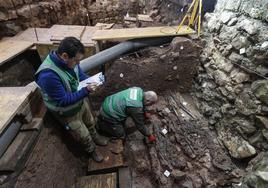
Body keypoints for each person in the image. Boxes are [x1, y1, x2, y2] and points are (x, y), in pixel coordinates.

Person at [35, 37, 107, 162]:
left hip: (78, 101)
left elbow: (79, 75)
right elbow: (63, 100)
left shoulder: (70, 62)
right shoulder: (48, 75)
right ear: (64, 56)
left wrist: (91, 80)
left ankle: (96, 137)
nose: (78, 63)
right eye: (76, 60)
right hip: (67, 110)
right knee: (83, 134)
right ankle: (92, 150)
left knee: (90, 121)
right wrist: (86, 91)